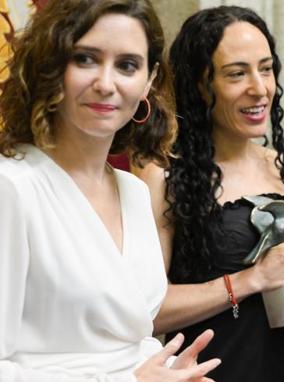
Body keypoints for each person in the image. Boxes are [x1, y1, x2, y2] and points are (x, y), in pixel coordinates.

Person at [136, 5, 284, 381]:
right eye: (237, 73)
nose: (260, 88)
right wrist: (251, 279)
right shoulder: (161, 175)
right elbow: (148, 309)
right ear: (199, 85)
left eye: (267, 68)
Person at [0, 1, 221, 381]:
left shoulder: (134, 191)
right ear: (51, 67)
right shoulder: (13, 187)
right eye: (85, 59)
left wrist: (175, 372)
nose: (106, 83)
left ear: (149, 80)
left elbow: (127, 342)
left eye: (127, 65)